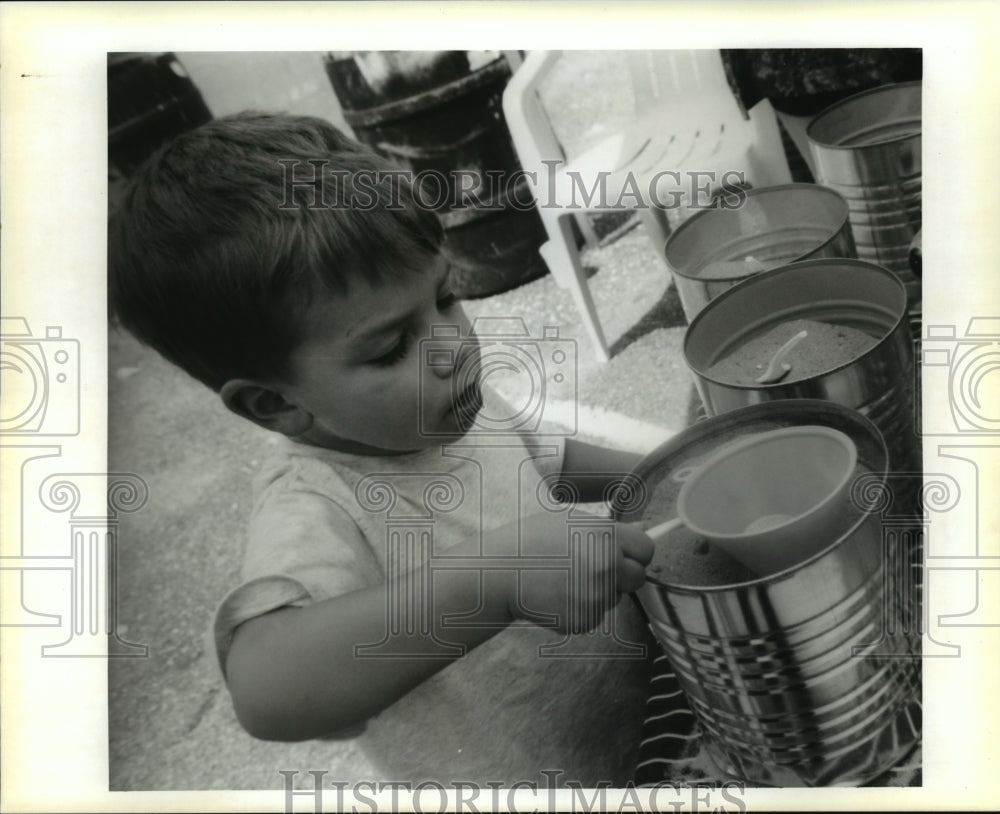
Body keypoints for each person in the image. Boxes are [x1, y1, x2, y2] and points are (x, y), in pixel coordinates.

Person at [108, 112, 658, 787]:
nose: (452, 346)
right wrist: (497, 581)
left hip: (650, 729)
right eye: (392, 347)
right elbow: (266, 687)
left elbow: (549, 461)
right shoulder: (317, 507)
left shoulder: (450, 410)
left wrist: (671, 477)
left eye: (446, 297)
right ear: (274, 403)